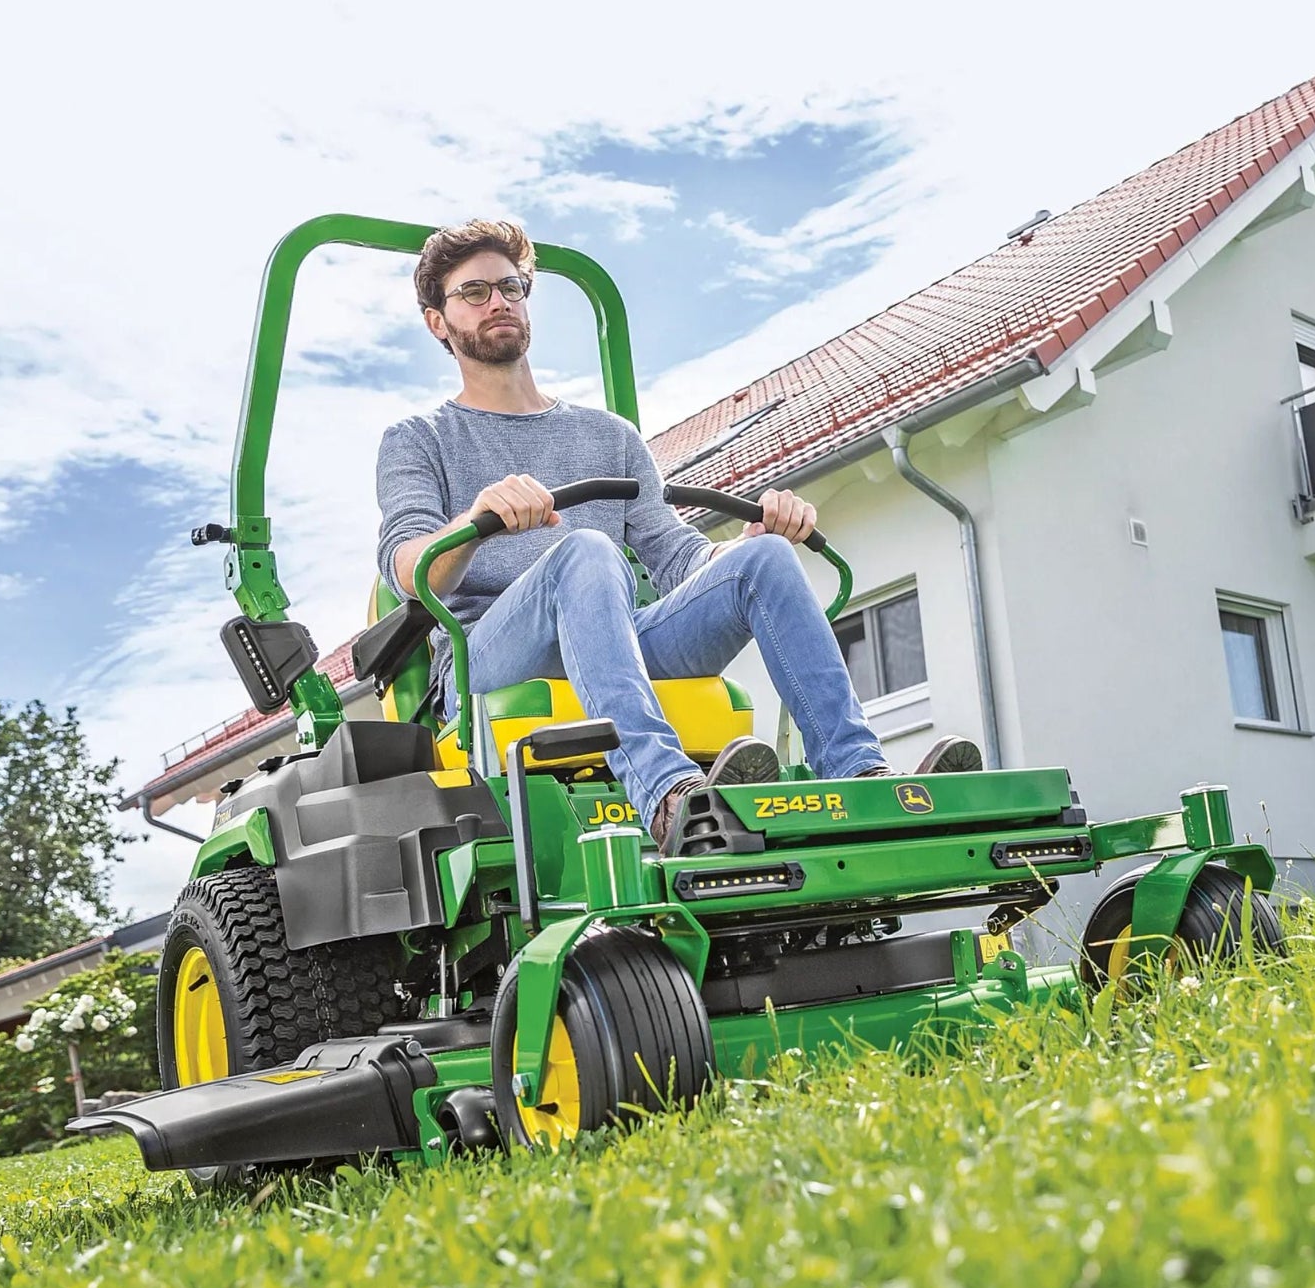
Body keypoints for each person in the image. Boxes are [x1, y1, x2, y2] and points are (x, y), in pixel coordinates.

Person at [374, 220, 980, 854]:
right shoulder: (419, 439)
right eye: (474, 293)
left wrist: (745, 544)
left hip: (613, 640)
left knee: (763, 560)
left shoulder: (610, 436)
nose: (498, 302)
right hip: (491, 658)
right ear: (437, 321)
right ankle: (667, 794)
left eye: (511, 286)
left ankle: (859, 777)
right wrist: (475, 520)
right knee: (584, 550)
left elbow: (679, 555)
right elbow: (411, 567)